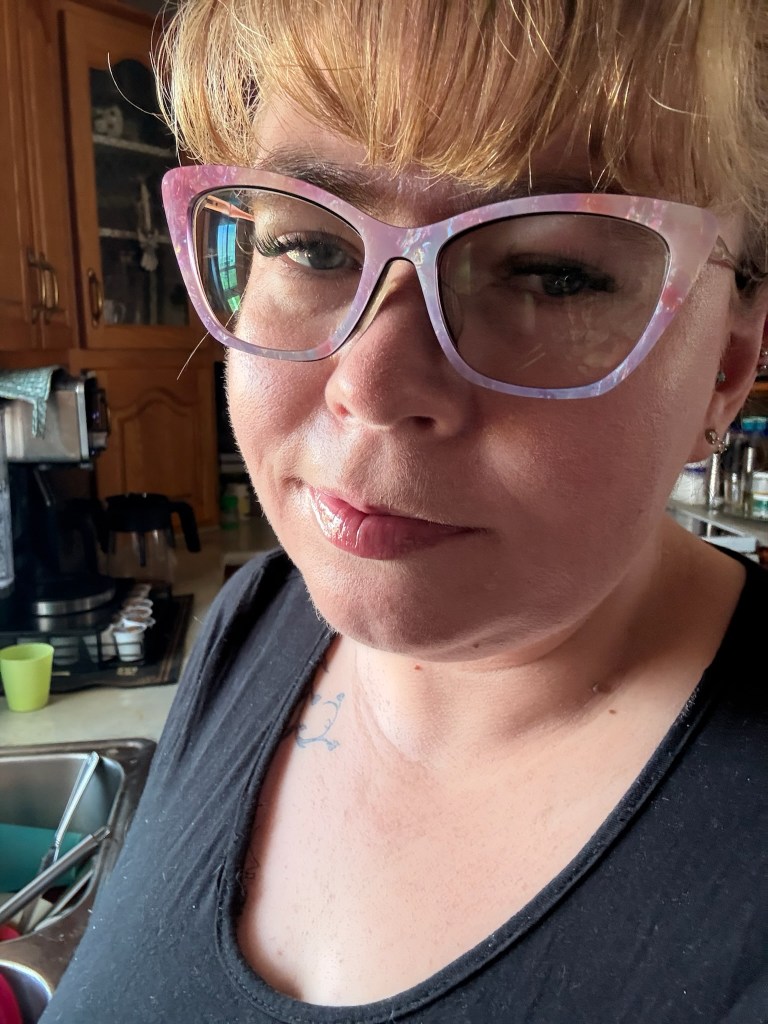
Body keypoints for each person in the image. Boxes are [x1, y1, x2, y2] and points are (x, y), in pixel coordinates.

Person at [41, 1, 768, 1021]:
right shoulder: (254, 617)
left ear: (729, 362)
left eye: (551, 274)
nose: (371, 384)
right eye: (309, 246)